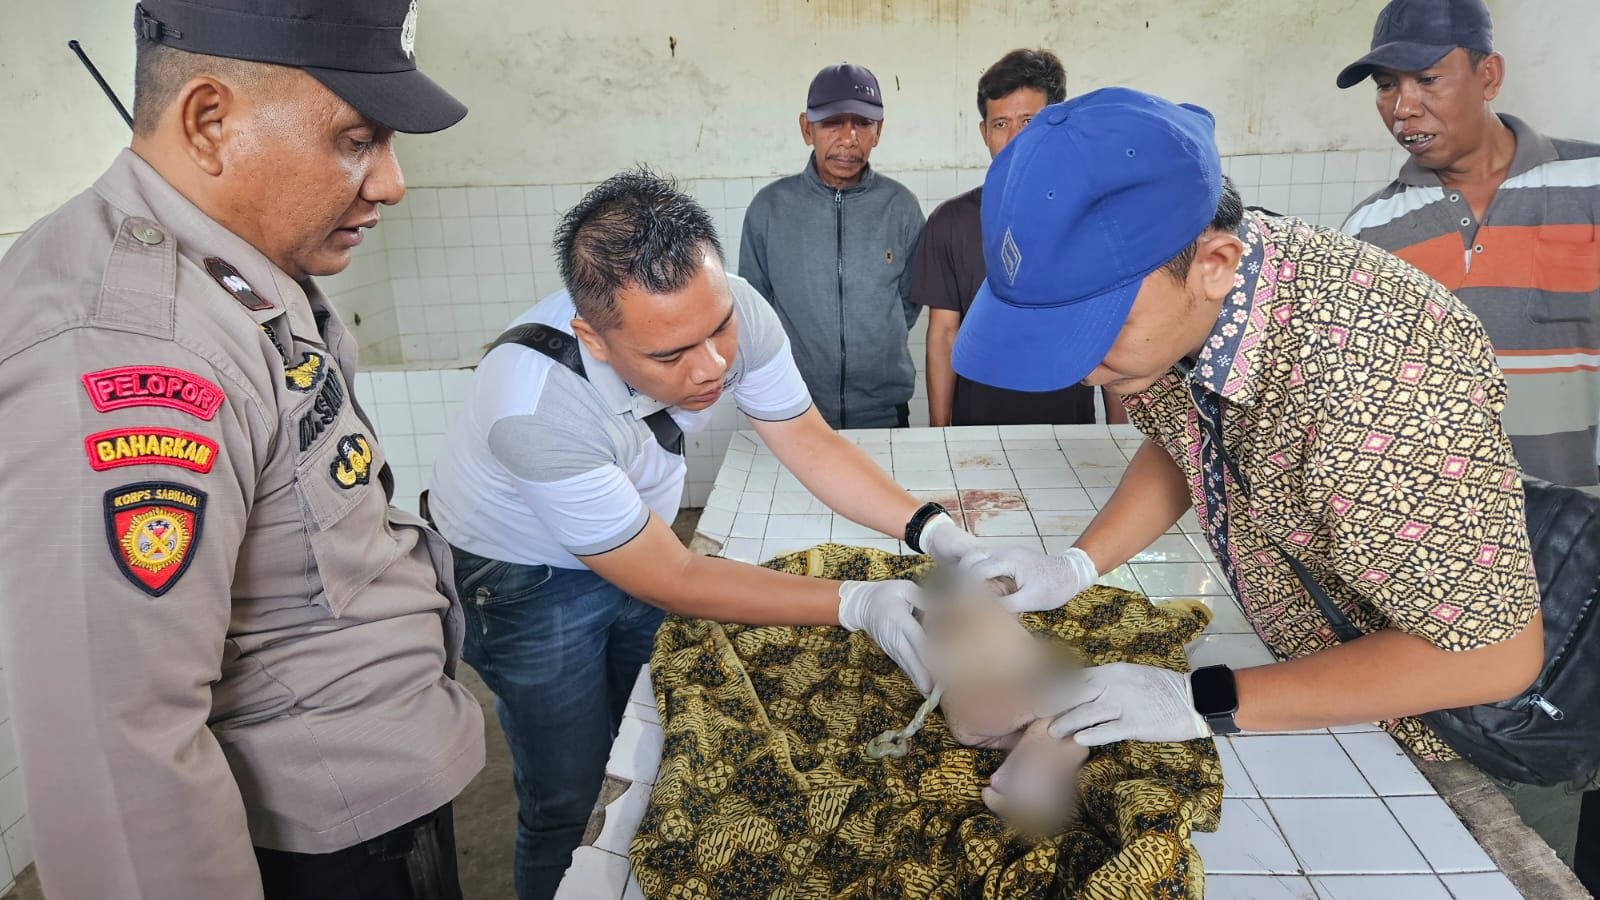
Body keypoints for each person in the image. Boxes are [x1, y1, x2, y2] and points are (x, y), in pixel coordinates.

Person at [953, 85, 1548, 850]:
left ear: (1215, 261)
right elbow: (1189, 440)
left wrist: (1203, 697)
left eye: (1096, 331)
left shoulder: (1374, 376)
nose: (1081, 372)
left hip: (1462, 740)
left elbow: (1494, 657)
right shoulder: (1202, 298)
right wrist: (1075, 564)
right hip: (1313, 682)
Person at [0, 2, 484, 899]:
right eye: (357, 140)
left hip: (368, 789)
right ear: (210, 122)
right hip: (312, 853)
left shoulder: (237, 262)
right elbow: (116, 746)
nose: (391, 183)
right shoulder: (137, 346)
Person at [427, 169, 985, 899]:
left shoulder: (732, 310)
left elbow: (806, 440)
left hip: (638, 534)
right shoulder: (535, 406)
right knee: (568, 794)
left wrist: (934, 531)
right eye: (670, 356)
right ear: (593, 337)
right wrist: (855, 601)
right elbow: (678, 579)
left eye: (718, 329)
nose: (714, 367)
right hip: (522, 577)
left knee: (653, 730)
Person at [1339, 0, 1600, 487]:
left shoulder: (1591, 183)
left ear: (1489, 76)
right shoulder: (1366, 234)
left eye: (1427, 79)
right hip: (1448, 538)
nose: (1403, 108)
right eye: (1386, 85)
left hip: (1585, 523)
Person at [913, 48, 1124, 428]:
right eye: (1000, 124)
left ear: (1058, 125)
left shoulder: (1094, 219)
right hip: (975, 433)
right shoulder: (951, 222)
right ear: (984, 133)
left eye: (1029, 121)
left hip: (1071, 430)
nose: (1015, 139)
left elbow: (1113, 330)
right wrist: (939, 433)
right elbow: (944, 333)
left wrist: (1119, 435)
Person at [740, 62, 925, 429]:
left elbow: (909, 299)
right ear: (806, 129)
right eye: (832, 123)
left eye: (862, 123)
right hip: (794, 410)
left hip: (882, 413)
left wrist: (872, 335)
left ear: (879, 130)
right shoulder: (770, 208)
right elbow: (755, 308)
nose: (848, 138)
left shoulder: (900, 206)